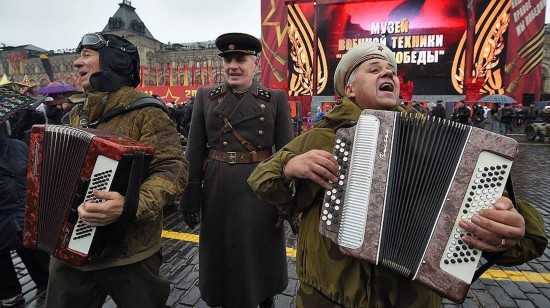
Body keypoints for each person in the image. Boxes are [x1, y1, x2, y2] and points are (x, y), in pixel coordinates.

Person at [247, 42, 547, 307]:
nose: (387, 74)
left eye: (391, 70)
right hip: (329, 296)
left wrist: (511, 228)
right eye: (374, 69)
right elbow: (261, 180)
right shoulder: (321, 137)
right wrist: (288, 167)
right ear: (349, 89)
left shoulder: (442, 140)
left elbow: (526, 235)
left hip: (415, 299)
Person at [44, 32, 189, 308]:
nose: (76, 63)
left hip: (130, 252)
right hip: (73, 249)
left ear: (113, 60)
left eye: (86, 54)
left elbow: (173, 169)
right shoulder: (78, 113)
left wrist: (130, 205)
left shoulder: (147, 111)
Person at [179, 32, 294, 308]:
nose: (232, 65)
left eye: (240, 59)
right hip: (219, 191)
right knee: (223, 257)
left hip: (261, 190)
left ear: (255, 64)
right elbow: (193, 152)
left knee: (260, 255)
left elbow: (288, 155)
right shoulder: (206, 97)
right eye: (228, 59)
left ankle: (264, 298)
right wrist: (189, 198)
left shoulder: (275, 99)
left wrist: (288, 203)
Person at [0, 121, 50, 307]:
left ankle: (10, 294)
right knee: (32, 250)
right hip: (25, 210)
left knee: (2, 261)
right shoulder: (19, 145)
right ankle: (47, 284)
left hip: (7, 213)